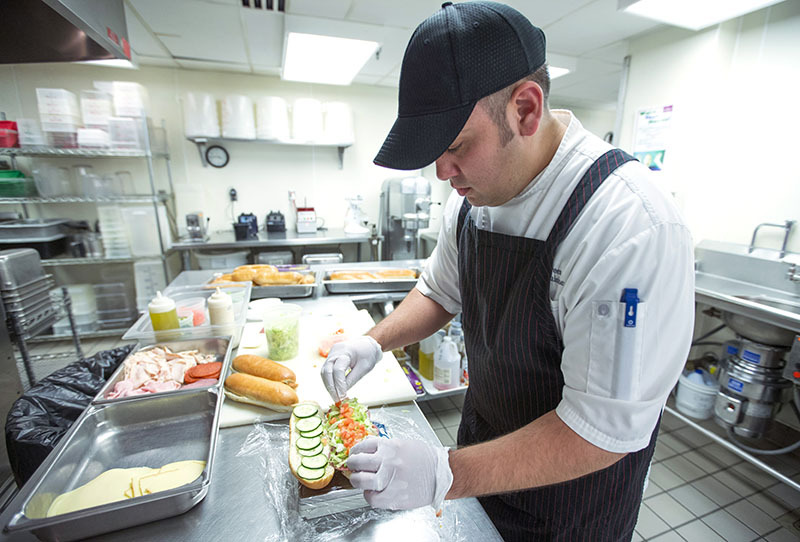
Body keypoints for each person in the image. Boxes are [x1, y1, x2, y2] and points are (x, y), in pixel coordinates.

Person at [320, 1, 695, 540]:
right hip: (483, 459)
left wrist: (444, 472)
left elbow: (598, 433)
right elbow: (439, 292)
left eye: (455, 147)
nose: (441, 171)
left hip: (571, 505)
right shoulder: (472, 196)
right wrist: (373, 342)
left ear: (525, 108)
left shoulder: (629, 226)